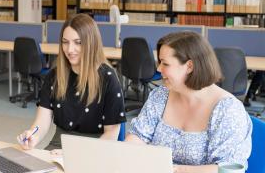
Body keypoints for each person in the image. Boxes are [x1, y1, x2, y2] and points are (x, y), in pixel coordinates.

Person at [126, 31, 252, 173]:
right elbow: (137, 136)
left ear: (189, 66)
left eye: (165, 63)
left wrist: (175, 169)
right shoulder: (160, 96)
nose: (158, 68)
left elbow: (227, 169)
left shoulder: (227, 110)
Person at [18, 14, 126, 151]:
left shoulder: (108, 78)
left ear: (91, 43)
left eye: (77, 42)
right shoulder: (55, 75)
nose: (69, 49)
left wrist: (76, 154)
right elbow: (42, 122)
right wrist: (33, 135)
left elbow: (111, 134)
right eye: (65, 42)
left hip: (94, 149)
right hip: (59, 145)